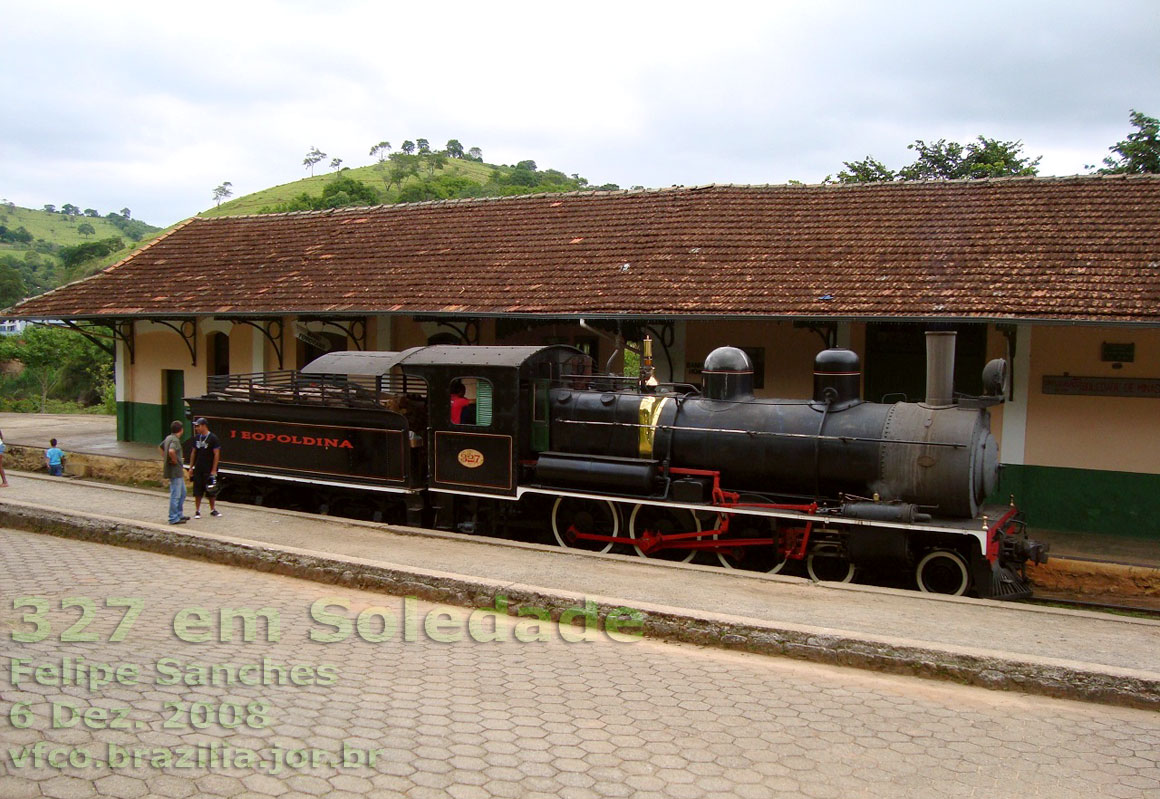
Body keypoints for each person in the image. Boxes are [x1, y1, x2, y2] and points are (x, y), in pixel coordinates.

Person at [189, 417, 222, 519]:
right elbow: (193, 452)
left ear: (204, 426)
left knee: (211, 491)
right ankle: (197, 510)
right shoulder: (197, 438)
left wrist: (213, 469)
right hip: (198, 468)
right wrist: (191, 467)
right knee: (197, 490)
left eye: (198, 426)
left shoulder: (213, 438)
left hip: (208, 468)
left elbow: (216, 454)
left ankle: (212, 509)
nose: (196, 428)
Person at [160, 420, 188, 524]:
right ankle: (173, 517)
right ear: (181, 430)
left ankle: (179, 514)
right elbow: (171, 451)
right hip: (175, 471)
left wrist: (165, 457)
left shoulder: (168, 438)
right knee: (176, 494)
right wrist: (174, 460)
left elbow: (160, 447)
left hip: (176, 471)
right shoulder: (175, 440)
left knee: (183, 492)